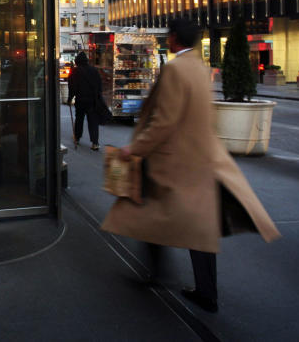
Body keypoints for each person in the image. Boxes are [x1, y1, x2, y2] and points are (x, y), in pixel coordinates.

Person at [101, 18, 280, 313]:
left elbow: (165, 120)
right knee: (200, 228)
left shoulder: (174, 69)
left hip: (172, 161)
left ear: (172, 38)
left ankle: (159, 275)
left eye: (168, 37)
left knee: (148, 211)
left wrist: (136, 148)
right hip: (200, 158)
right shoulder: (200, 67)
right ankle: (205, 291)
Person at [66, 51, 103, 150]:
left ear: (77, 61)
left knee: (79, 119)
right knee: (93, 121)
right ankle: (95, 143)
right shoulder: (94, 71)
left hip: (81, 100)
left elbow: (72, 87)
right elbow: (99, 85)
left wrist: (70, 99)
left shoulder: (75, 71)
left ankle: (77, 138)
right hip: (92, 100)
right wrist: (98, 97)